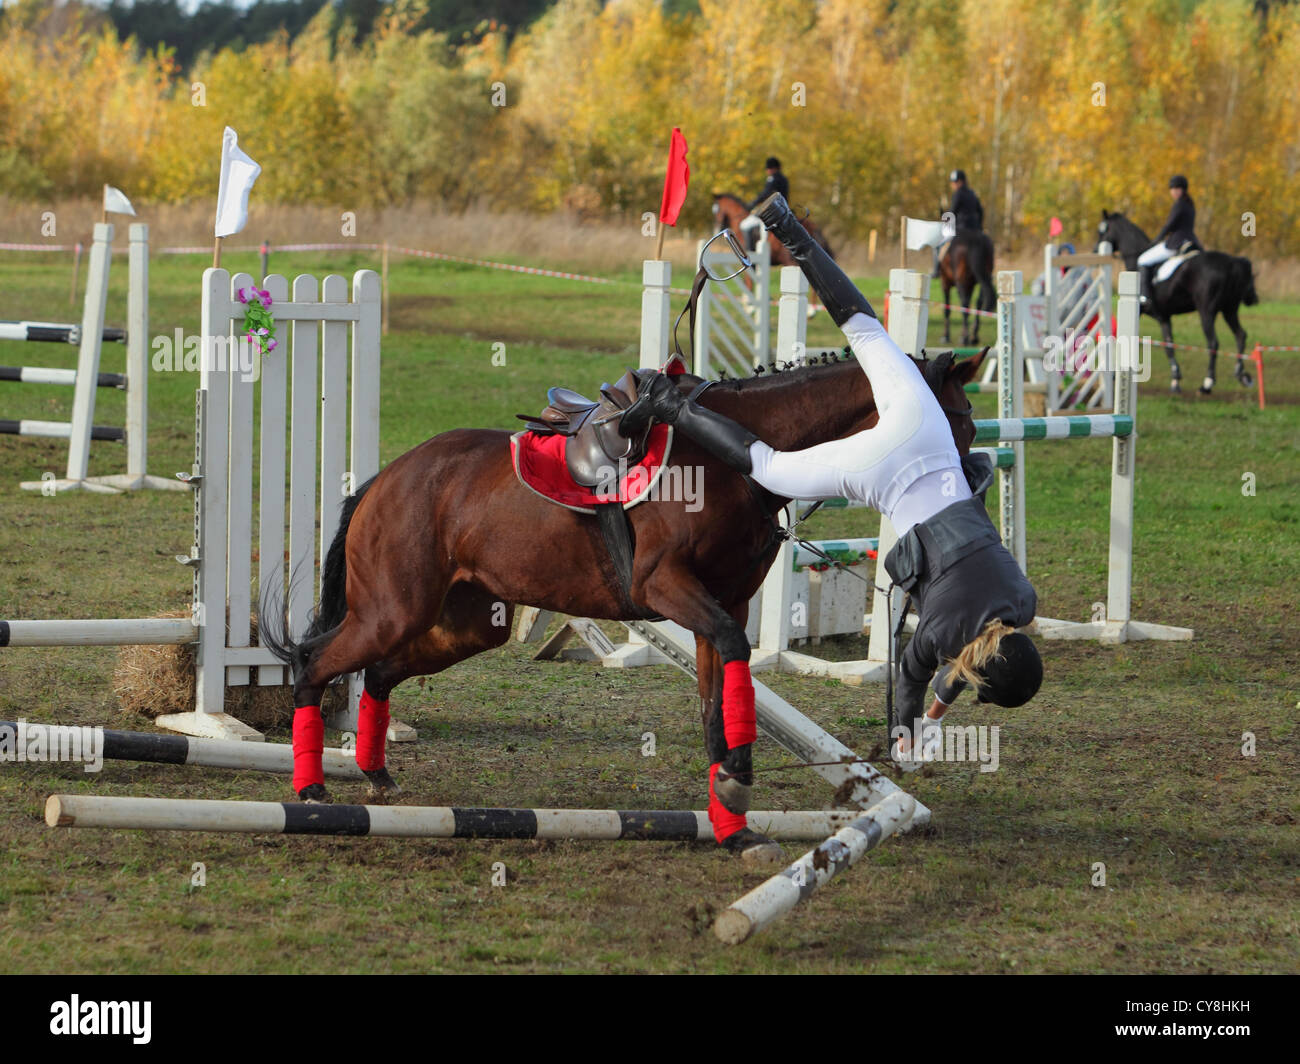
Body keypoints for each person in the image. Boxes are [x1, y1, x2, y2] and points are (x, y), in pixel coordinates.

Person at [621, 192, 1043, 773]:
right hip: (882, 470)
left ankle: (787, 227)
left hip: (927, 433)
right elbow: (914, 677)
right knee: (766, 466)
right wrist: (906, 735)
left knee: (865, 328)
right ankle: (669, 403)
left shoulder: (1022, 601)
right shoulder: (944, 632)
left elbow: (969, 661)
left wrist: (937, 715)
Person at [1138, 175, 1200, 306]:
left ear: (1183, 189)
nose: (1174, 191)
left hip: (1176, 243)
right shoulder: (1190, 204)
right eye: (1172, 188)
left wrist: (1156, 240)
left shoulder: (1179, 204)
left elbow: (1169, 225)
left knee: (1143, 260)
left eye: (1177, 188)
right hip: (1191, 241)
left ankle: (1145, 296)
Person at [932, 169, 984, 277]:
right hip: (975, 230)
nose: (953, 185)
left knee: (939, 245)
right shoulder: (973, 194)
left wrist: (945, 220)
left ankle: (936, 270)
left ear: (960, 182)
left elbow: (952, 213)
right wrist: (979, 227)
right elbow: (981, 211)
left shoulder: (958, 194)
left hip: (961, 229)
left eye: (954, 182)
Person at [738, 157, 790, 251]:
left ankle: (754, 251)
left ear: (773, 168)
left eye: (768, 168)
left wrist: (752, 204)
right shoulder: (784, 179)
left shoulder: (773, 179)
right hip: (784, 209)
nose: (767, 171)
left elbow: (765, 194)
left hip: (773, 211)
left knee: (745, 225)